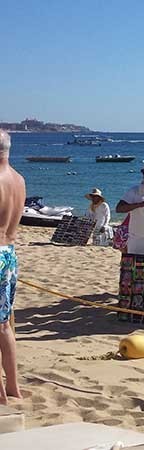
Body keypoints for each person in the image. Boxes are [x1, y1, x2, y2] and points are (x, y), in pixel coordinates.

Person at [0, 131, 23, 405]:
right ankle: (13, 387)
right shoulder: (19, 179)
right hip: (9, 253)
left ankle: (1, 392)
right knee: (4, 325)